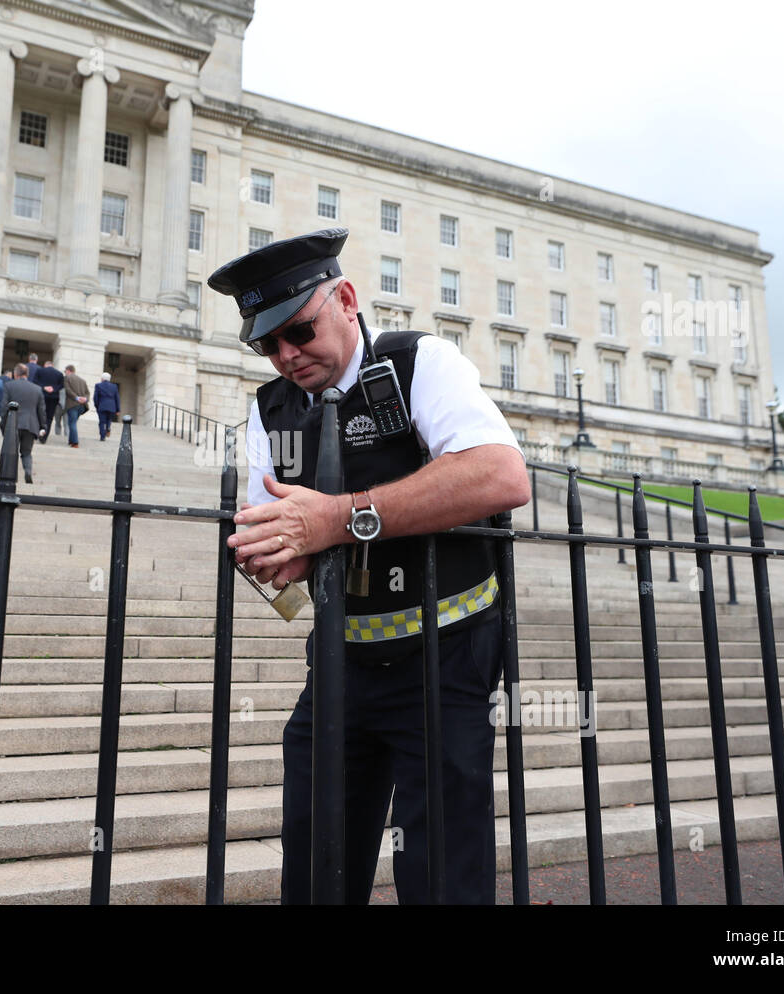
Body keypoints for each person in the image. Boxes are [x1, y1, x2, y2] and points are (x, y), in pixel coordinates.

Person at [207, 227, 530, 905]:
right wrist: (277, 566)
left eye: (299, 331)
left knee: (441, 874)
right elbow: (266, 544)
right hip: (339, 663)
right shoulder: (268, 411)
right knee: (318, 867)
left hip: (446, 656)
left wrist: (337, 519)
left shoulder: (422, 363)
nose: (287, 356)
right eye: (267, 344)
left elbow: (499, 476)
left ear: (346, 299)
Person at [0, 363, 48, 483]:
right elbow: (41, 410)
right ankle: (28, 471)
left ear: (15, 374)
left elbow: (4, 407)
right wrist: (43, 426)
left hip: (13, 424)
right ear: (27, 374)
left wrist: (3, 424)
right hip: (30, 425)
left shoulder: (9, 385)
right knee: (26, 452)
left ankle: (12, 477)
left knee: (12, 452)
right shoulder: (37, 389)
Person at [61, 364, 90, 448]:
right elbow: (87, 393)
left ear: (69, 370)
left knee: (72, 423)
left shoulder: (67, 378)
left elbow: (67, 390)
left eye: (65, 371)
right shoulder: (82, 380)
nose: (65, 373)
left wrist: (77, 398)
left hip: (72, 404)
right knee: (72, 422)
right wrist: (85, 399)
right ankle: (71, 440)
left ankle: (75, 442)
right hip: (82, 406)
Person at [37, 359, 64, 434]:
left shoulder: (40, 371)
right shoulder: (59, 374)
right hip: (54, 398)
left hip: (42, 396)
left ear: (45, 365)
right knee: (49, 417)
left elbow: (35, 382)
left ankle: (39, 432)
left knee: (40, 414)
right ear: (52, 365)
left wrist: (44, 387)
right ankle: (45, 435)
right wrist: (54, 389)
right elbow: (62, 385)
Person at [93, 372, 120, 440]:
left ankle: (102, 436)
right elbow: (117, 398)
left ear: (102, 378)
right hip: (112, 406)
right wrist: (118, 409)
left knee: (102, 421)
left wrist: (97, 405)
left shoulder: (98, 385)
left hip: (102, 406)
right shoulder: (114, 386)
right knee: (109, 420)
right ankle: (108, 428)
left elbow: (95, 397)